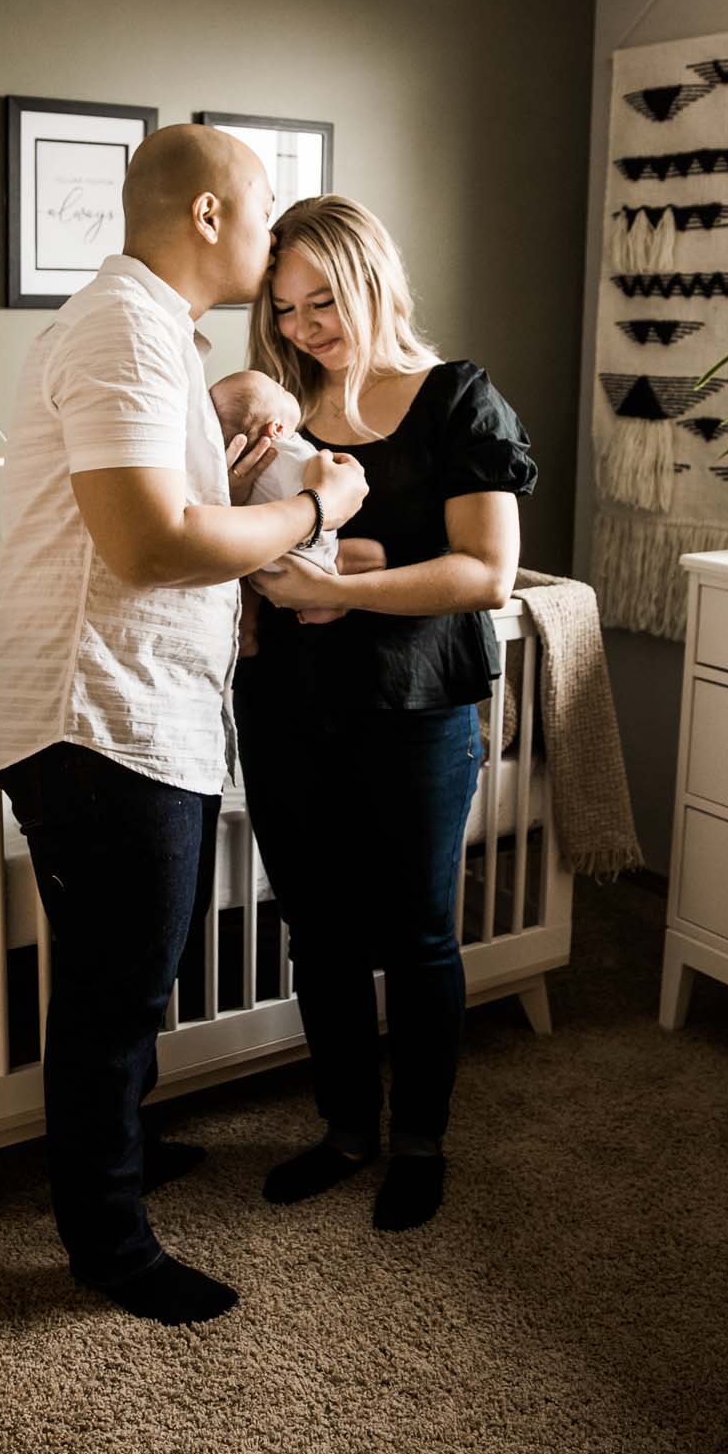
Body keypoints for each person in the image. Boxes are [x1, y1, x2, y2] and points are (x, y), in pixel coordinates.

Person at [0, 125, 367, 1326]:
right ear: (206, 213)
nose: (272, 230)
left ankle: (124, 1154)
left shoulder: (147, 334)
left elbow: (155, 518)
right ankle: (110, 1242)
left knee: (133, 979)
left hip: (135, 710)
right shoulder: (124, 329)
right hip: (99, 715)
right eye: (261, 207)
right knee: (114, 995)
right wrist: (316, 504)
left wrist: (229, 459)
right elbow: (150, 546)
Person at [232, 194, 537, 1233]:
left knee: (415, 932)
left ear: (372, 281)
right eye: (284, 308)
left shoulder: (457, 401)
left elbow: (486, 573)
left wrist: (350, 585)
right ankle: (347, 1129)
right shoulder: (274, 414)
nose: (303, 326)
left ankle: (419, 1141)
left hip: (414, 704)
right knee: (316, 929)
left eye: (321, 301)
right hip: (287, 700)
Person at [207, 369, 347, 647]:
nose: (285, 388)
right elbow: (330, 482)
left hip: (264, 556)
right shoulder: (294, 452)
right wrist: (336, 465)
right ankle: (329, 596)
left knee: (246, 582)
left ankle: (246, 632)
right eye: (280, 391)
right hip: (308, 549)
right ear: (277, 429)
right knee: (373, 554)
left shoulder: (233, 464)